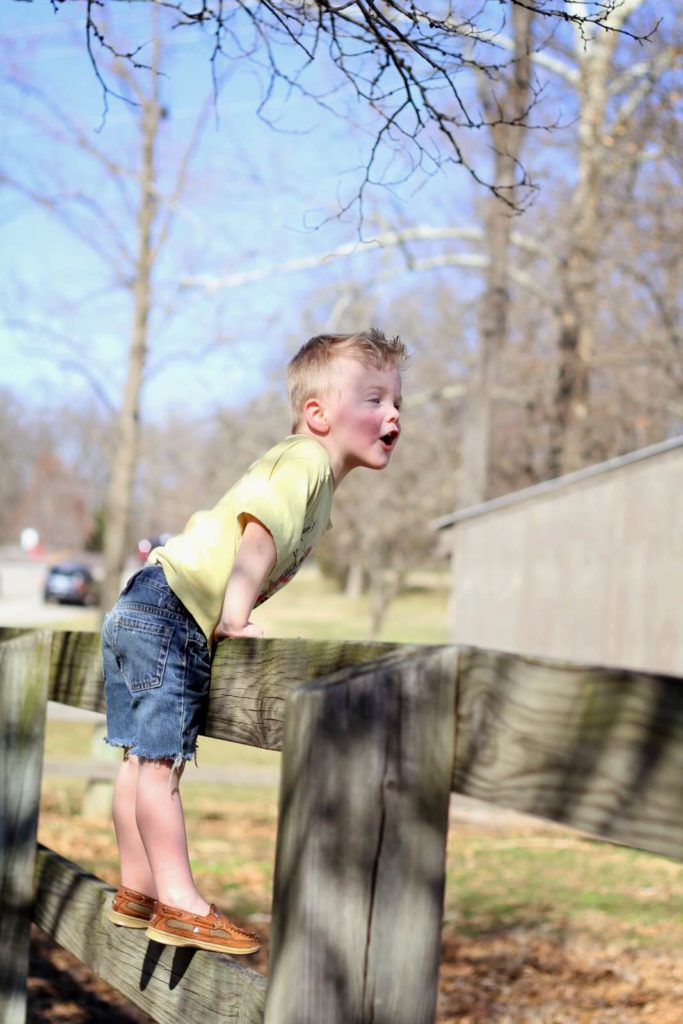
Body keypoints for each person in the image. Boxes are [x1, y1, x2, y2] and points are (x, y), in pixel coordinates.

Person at [101, 329, 407, 955]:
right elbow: (258, 530)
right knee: (161, 764)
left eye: (397, 402)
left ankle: (137, 889)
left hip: (145, 599)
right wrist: (235, 614)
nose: (394, 414)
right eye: (374, 399)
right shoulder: (305, 462)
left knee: (137, 758)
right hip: (174, 608)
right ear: (317, 413)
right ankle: (180, 902)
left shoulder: (309, 474)